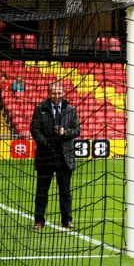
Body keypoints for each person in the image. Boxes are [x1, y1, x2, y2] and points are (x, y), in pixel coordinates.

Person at [30, 82, 81, 231]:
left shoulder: (71, 109)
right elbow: (34, 129)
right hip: (45, 156)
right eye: (54, 93)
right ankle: (39, 221)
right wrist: (46, 144)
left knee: (65, 191)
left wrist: (65, 133)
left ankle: (67, 220)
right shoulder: (40, 108)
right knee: (41, 192)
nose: (57, 96)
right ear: (48, 93)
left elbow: (77, 130)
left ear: (63, 93)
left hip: (65, 157)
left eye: (59, 93)